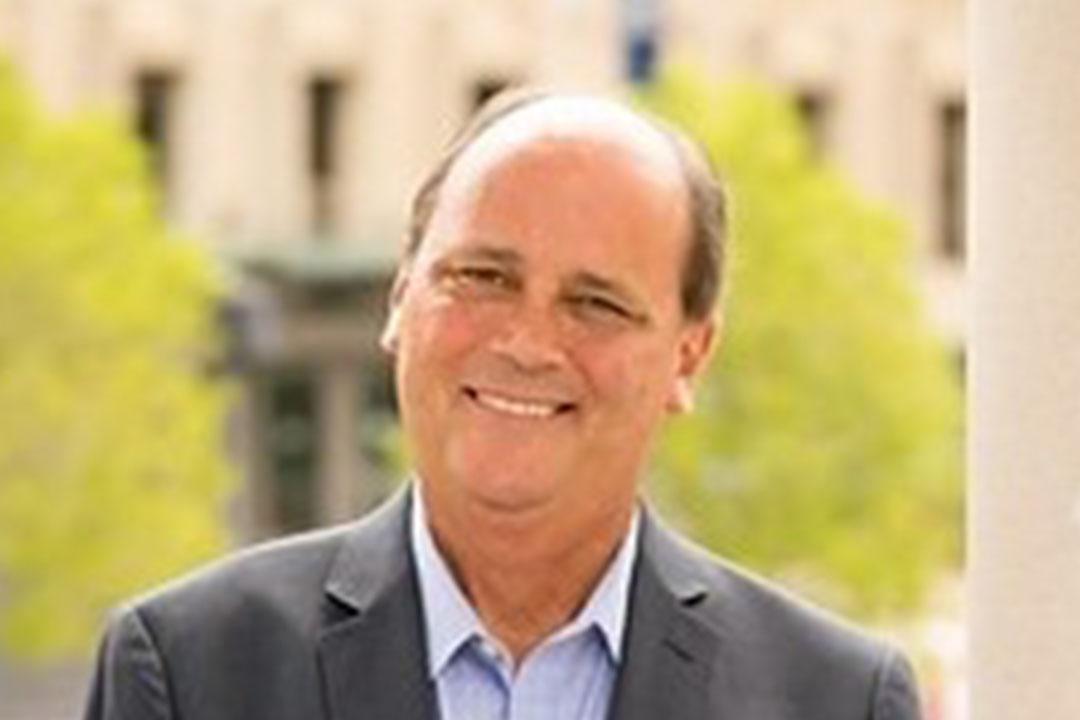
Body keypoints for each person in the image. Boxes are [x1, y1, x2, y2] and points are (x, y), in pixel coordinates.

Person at [83, 89, 922, 720]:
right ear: (400, 298)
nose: (526, 342)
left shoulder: (835, 700)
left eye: (596, 304)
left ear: (688, 356)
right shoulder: (191, 672)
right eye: (482, 277)